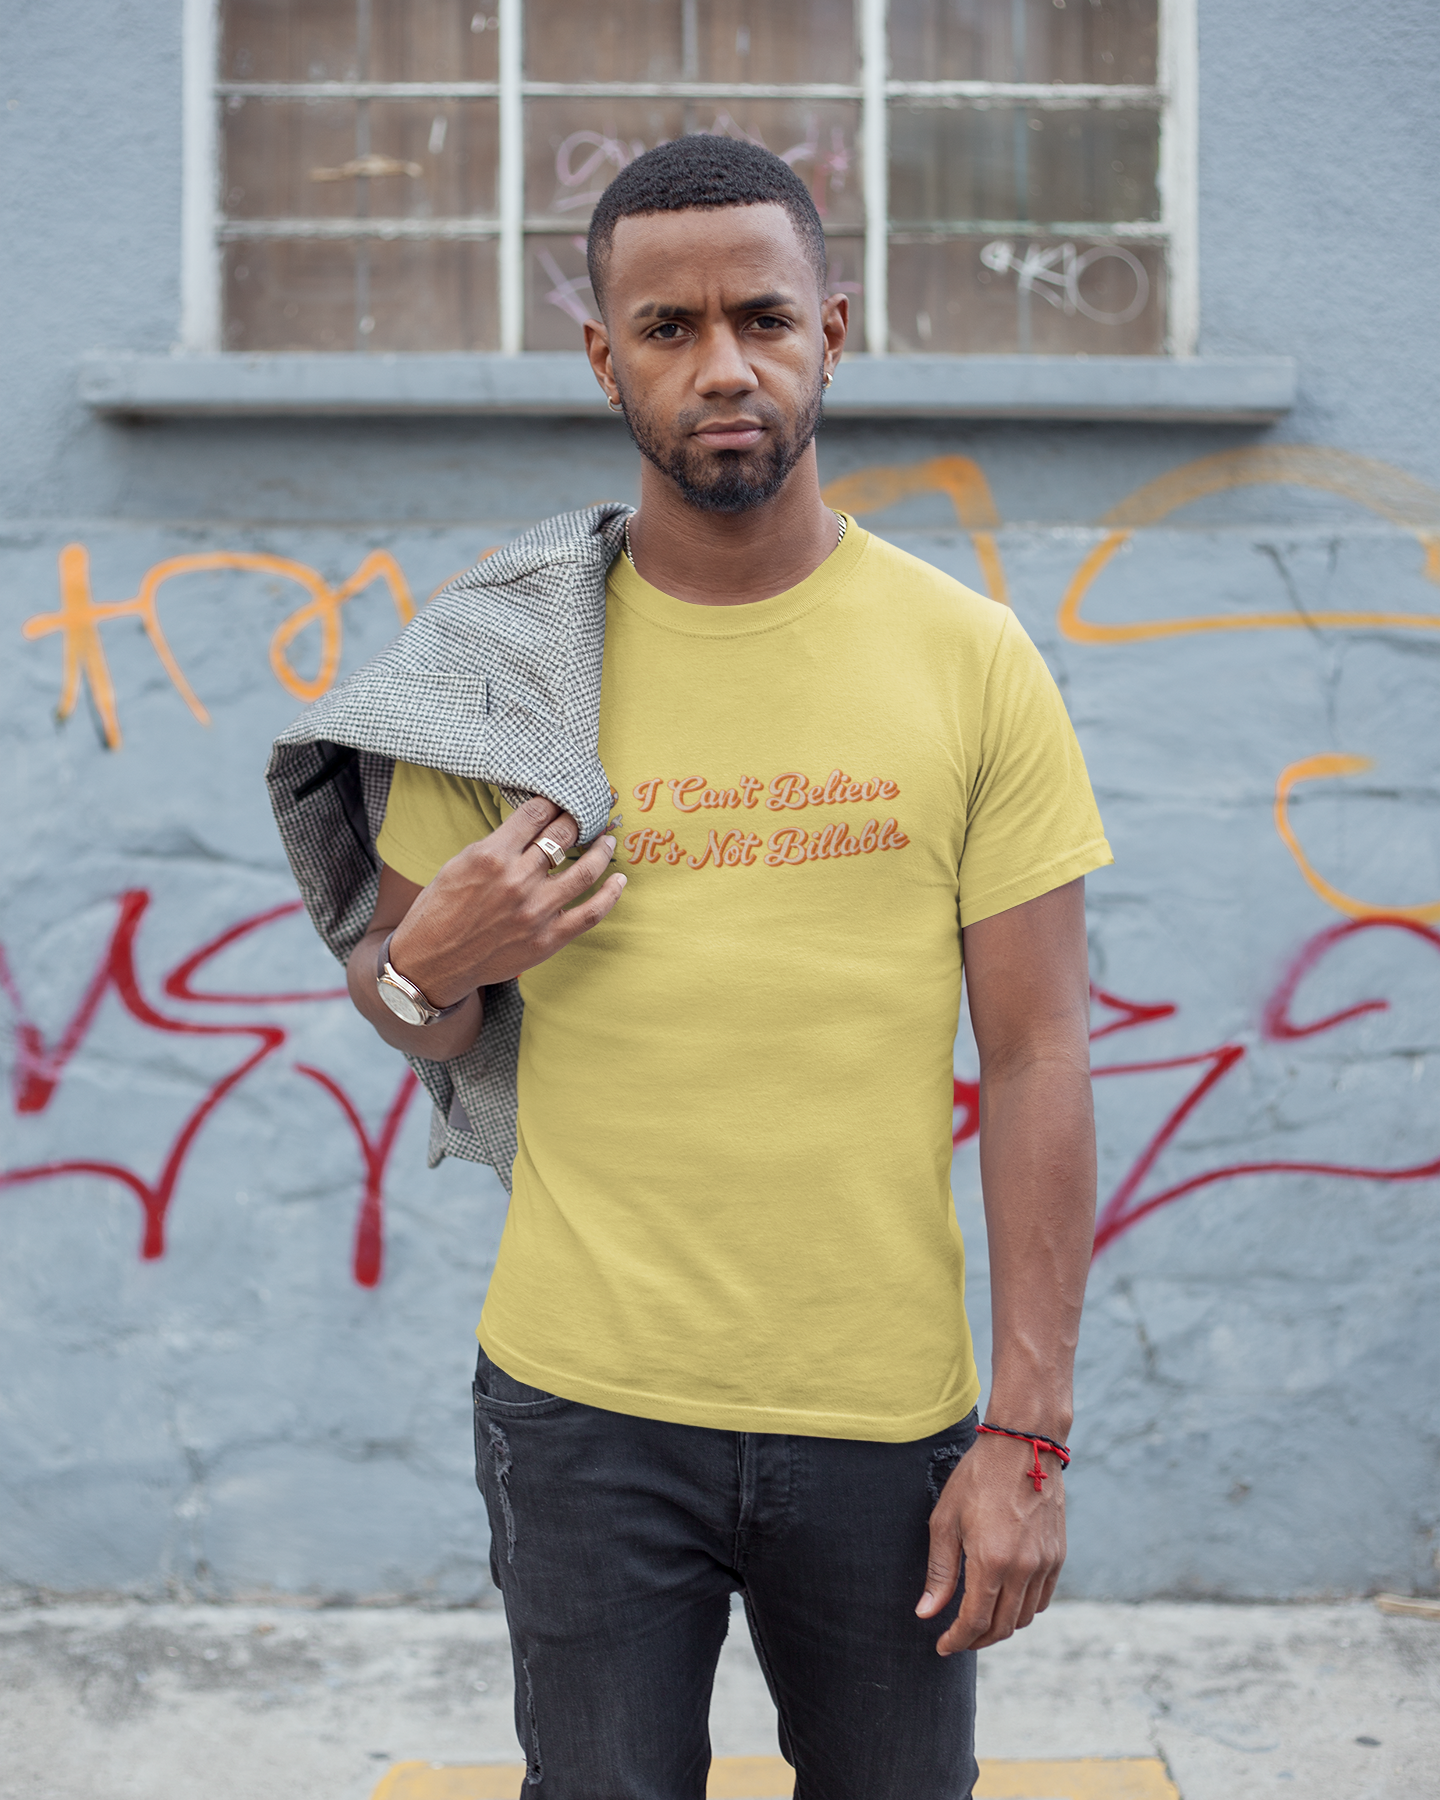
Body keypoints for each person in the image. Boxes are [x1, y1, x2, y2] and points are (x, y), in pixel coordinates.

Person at [269, 135, 1111, 1800]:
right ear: (604, 357)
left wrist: (1026, 1431)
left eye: (761, 318)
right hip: (582, 1412)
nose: (721, 365)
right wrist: (425, 965)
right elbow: (404, 1009)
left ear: (833, 333)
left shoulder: (970, 658)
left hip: (887, 1422)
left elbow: (1038, 1056)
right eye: (666, 328)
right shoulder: (502, 676)